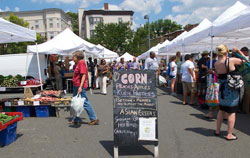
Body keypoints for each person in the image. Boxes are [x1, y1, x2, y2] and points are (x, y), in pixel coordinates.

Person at [214, 44, 245, 140]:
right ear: (226, 51)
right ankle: (229, 134)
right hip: (231, 89)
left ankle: (217, 130)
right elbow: (245, 61)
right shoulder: (230, 60)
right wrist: (239, 51)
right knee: (232, 112)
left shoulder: (216, 63)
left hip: (222, 89)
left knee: (221, 110)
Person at [69, 51, 99, 125]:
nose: (72, 58)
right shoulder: (78, 63)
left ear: (77, 57)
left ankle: (93, 118)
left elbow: (83, 75)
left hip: (79, 85)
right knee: (76, 101)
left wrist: (80, 86)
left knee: (84, 102)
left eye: (73, 57)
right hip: (76, 85)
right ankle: (75, 118)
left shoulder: (81, 63)